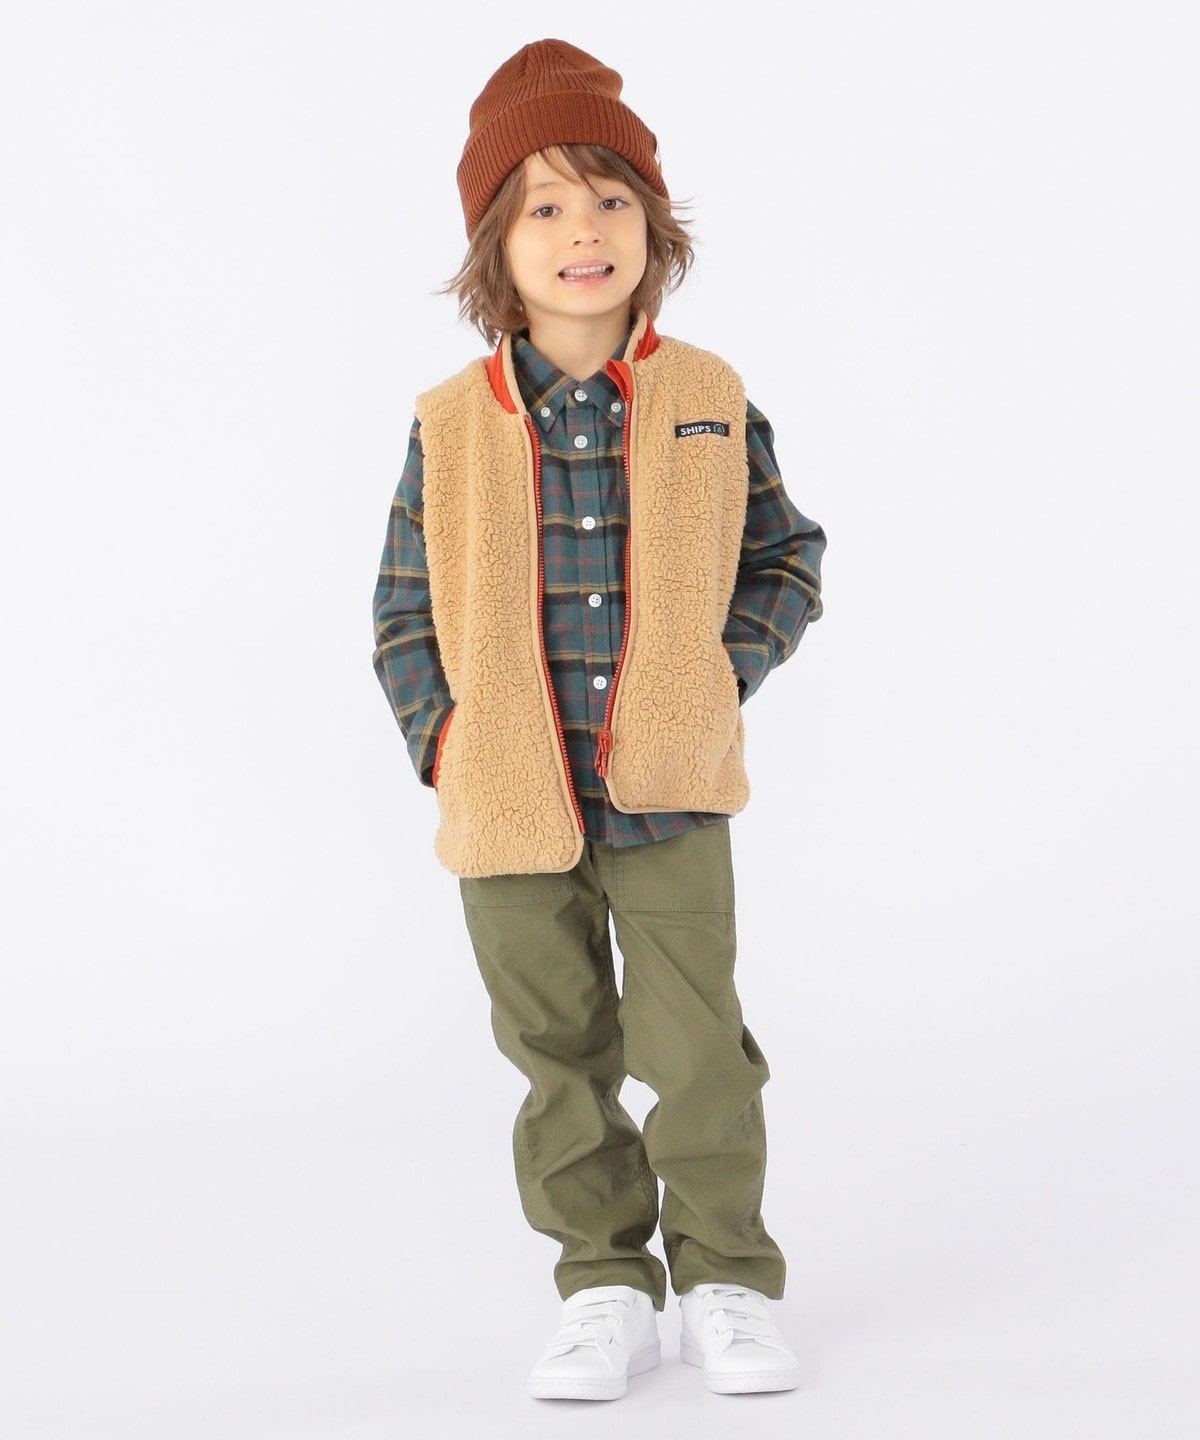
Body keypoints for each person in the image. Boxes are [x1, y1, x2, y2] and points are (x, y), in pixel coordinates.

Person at [371, 37, 826, 1402]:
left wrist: (714, 678)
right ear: (496, 247)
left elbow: (787, 557)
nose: (585, 231)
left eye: (612, 199)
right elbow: (401, 607)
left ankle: (728, 1278)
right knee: (557, 1054)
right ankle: (604, 1285)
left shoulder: (708, 399)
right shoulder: (450, 424)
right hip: (509, 801)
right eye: (547, 206)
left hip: (669, 791)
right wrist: (446, 744)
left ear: (653, 225)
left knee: (699, 1052)